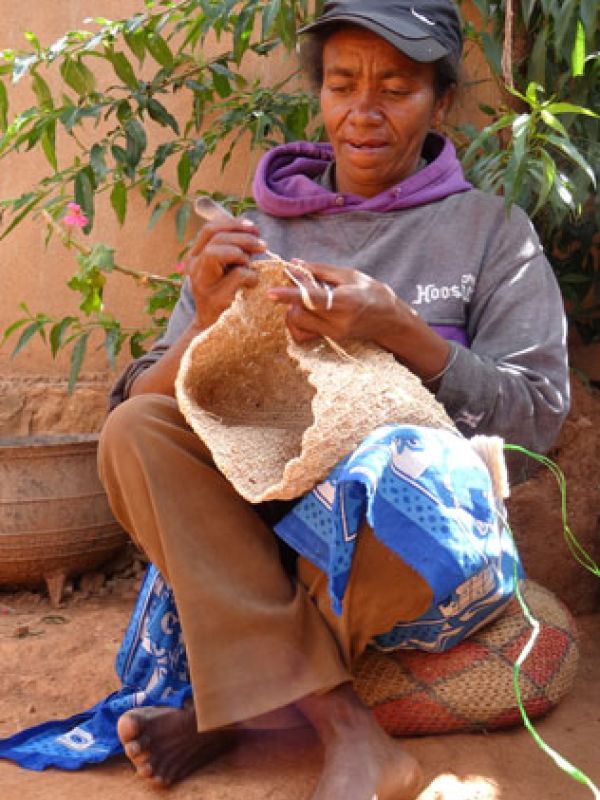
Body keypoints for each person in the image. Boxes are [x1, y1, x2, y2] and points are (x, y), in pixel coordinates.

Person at [97, 1, 570, 798]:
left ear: (441, 103)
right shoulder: (257, 235)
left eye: (396, 87)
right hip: (264, 539)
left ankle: (239, 705)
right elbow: (143, 403)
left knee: (391, 469)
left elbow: (539, 415)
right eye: (343, 83)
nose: (364, 111)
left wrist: (403, 331)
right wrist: (203, 325)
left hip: (413, 547)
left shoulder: (491, 231)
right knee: (137, 427)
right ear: (318, 95)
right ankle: (345, 726)